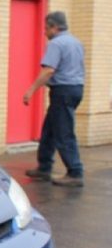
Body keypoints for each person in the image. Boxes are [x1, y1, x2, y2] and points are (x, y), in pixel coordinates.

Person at [23, 11, 85, 187]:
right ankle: (44, 167)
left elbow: (49, 70)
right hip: (75, 89)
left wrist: (31, 90)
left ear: (54, 27)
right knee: (49, 129)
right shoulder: (76, 42)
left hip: (63, 91)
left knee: (64, 133)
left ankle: (75, 172)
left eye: (46, 28)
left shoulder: (56, 44)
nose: (44, 32)